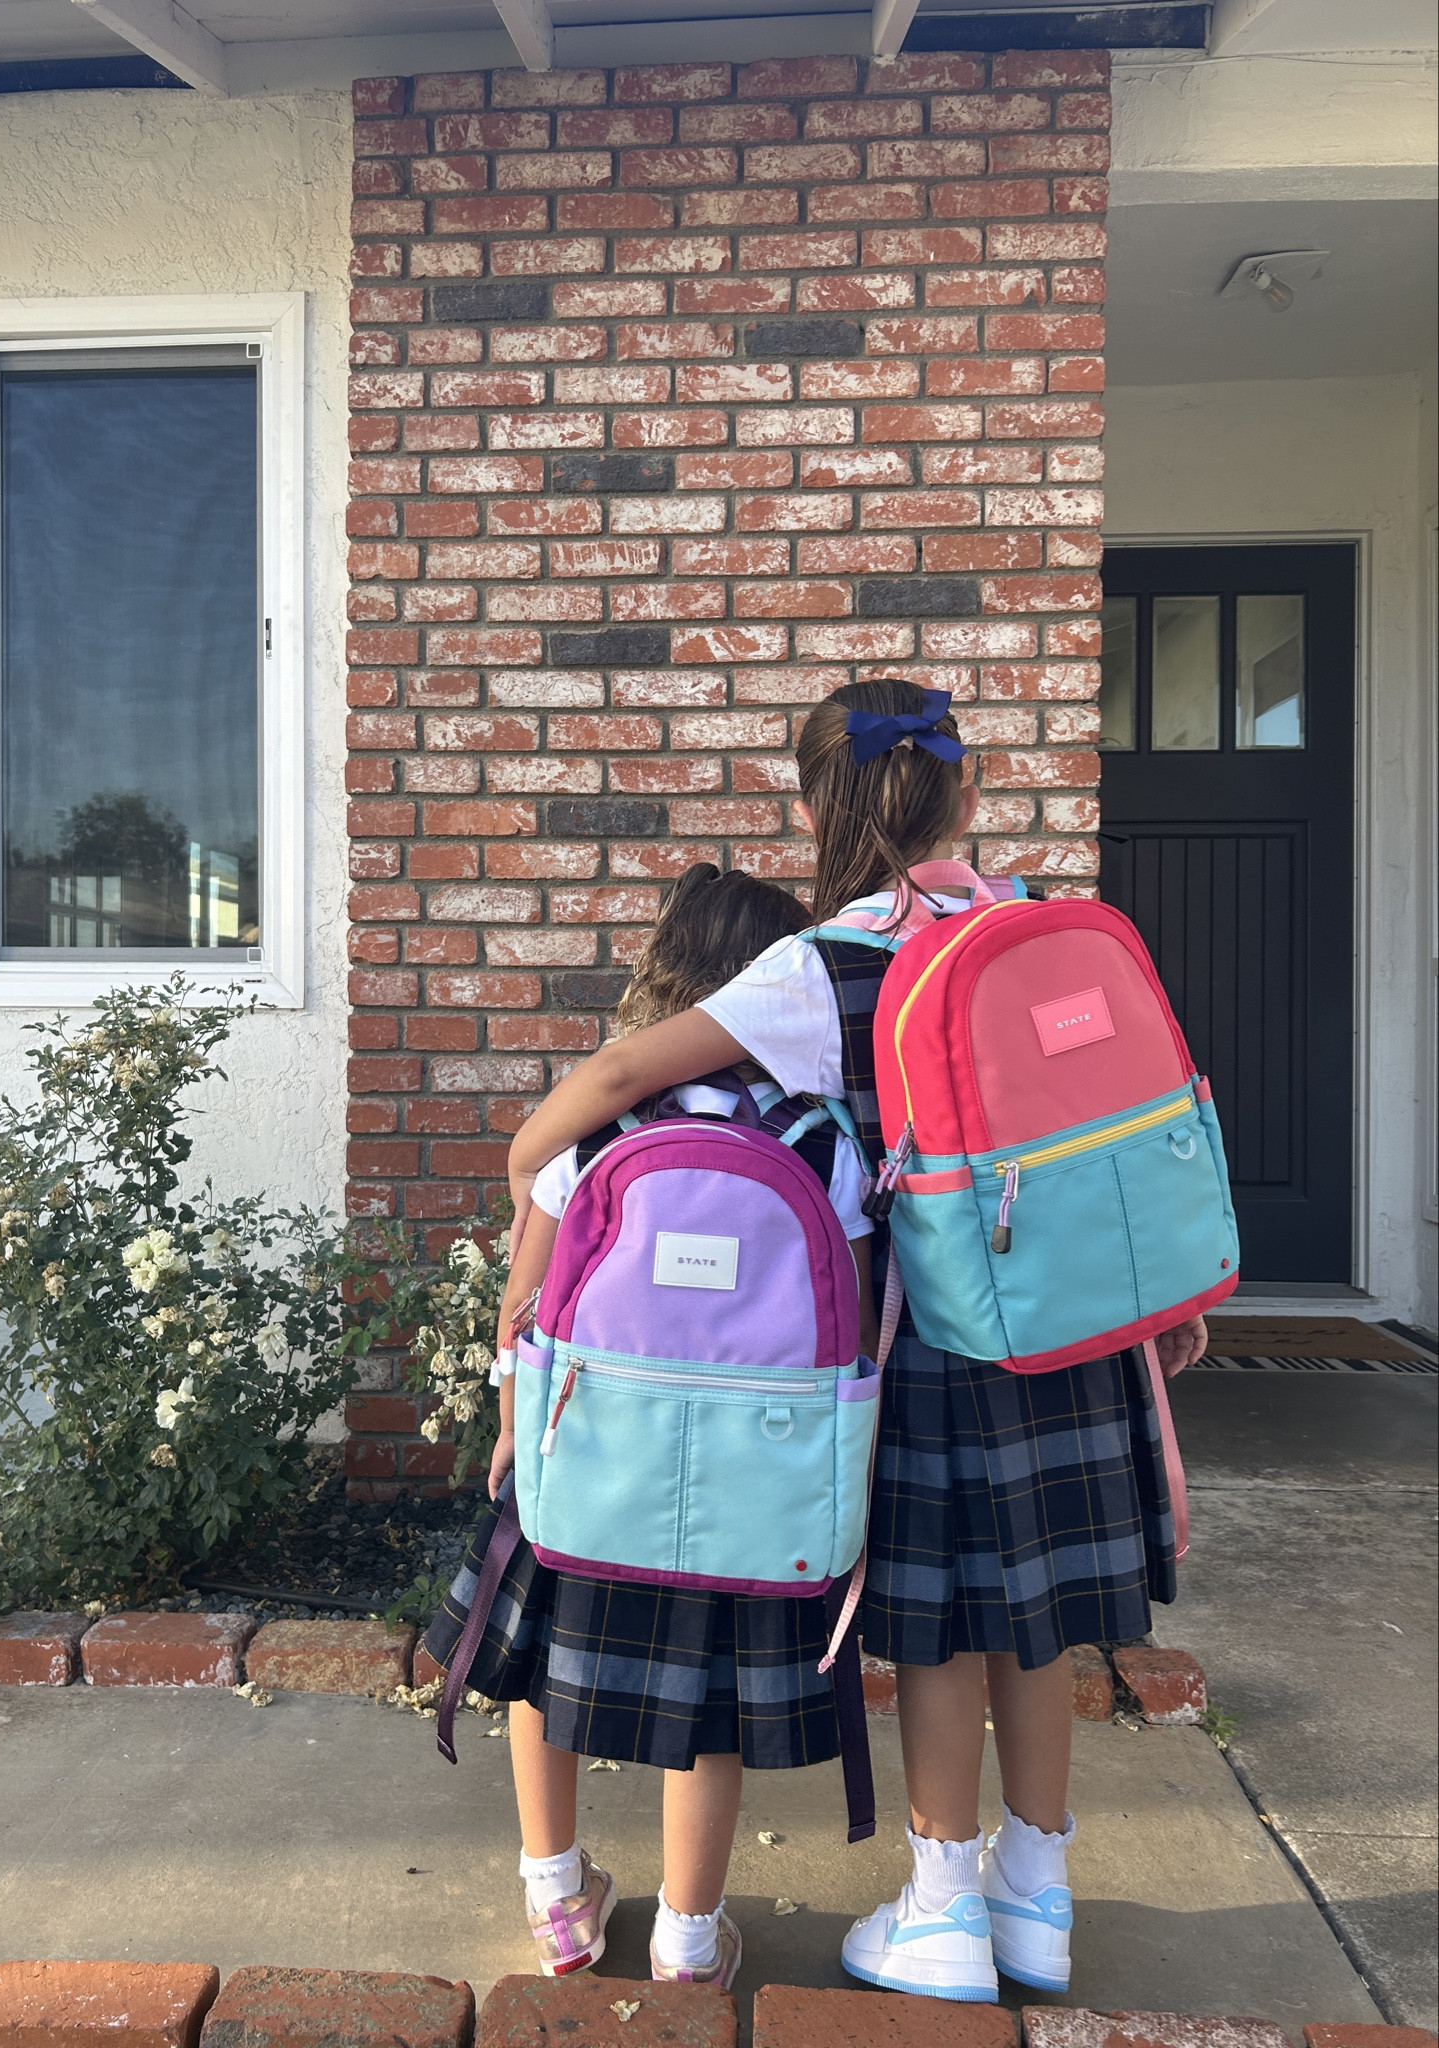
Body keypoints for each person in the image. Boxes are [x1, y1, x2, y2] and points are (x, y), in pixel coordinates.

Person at [503, 678, 1208, 2003]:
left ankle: (940, 1905)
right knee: (1036, 1617)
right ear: (969, 796)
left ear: (812, 803)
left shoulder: (817, 966)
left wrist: (525, 1155)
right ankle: (1033, 1897)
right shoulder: (1037, 929)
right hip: (1078, 1328)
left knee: (939, 1622)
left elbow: (618, 1079)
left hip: (936, 1337)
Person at [423, 863, 880, 1991]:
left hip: (592, 1454)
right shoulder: (825, 1140)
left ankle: (557, 1897)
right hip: (752, 1478)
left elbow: (524, 1306)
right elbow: (855, 1331)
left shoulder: (600, 1121)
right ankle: (686, 1932)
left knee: (542, 1677)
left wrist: (510, 1422)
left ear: (667, 971)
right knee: (709, 1703)